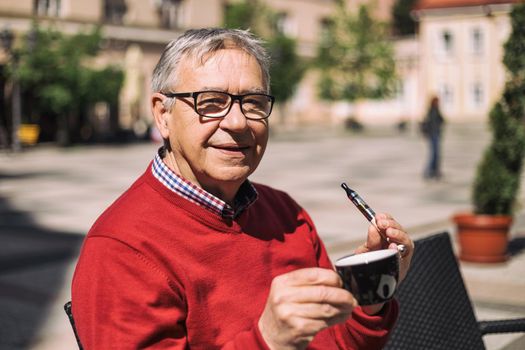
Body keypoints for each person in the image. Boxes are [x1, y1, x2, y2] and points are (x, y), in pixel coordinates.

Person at [71, 28, 414, 349]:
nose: (237, 122)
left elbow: (331, 341)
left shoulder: (286, 214)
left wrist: (368, 297)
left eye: (253, 102)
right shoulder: (123, 249)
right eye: (210, 101)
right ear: (163, 115)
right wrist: (268, 339)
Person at [421, 96, 445, 179]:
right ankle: (428, 171)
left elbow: (442, 120)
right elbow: (434, 122)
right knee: (434, 154)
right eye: (437, 101)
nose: (438, 103)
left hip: (436, 134)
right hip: (433, 135)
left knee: (436, 154)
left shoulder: (435, 110)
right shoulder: (432, 111)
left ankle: (434, 171)